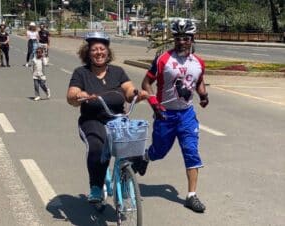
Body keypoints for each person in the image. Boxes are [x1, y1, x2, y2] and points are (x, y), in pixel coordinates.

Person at [66, 31, 148, 203]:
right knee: (97, 147)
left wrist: (137, 94)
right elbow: (71, 95)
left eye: (102, 49)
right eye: (94, 49)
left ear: (108, 52)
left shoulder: (117, 72)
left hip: (116, 119)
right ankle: (96, 186)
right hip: (92, 120)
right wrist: (78, 95)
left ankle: (128, 175)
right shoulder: (81, 73)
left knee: (135, 141)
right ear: (88, 53)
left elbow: (128, 90)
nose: (99, 52)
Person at [140, 19, 209, 213]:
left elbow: (199, 81)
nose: (182, 42)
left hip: (187, 115)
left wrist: (203, 96)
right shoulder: (163, 60)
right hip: (165, 115)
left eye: (186, 38)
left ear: (192, 39)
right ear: (174, 39)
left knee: (191, 152)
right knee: (159, 152)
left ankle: (191, 196)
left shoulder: (198, 63)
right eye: (178, 38)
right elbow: (146, 83)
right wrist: (154, 104)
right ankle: (146, 156)